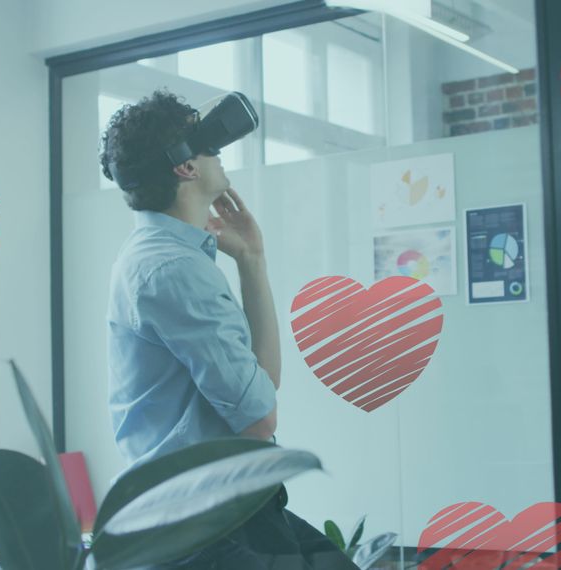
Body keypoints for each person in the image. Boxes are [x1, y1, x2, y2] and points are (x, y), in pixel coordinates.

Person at [100, 89, 357, 570]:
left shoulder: (166, 257)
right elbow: (260, 418)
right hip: (207, 521)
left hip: (225, 504)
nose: (218, 151)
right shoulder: (172, 269)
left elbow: (264, 385)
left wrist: (252, 261)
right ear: (185, 167)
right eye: (207, 143)